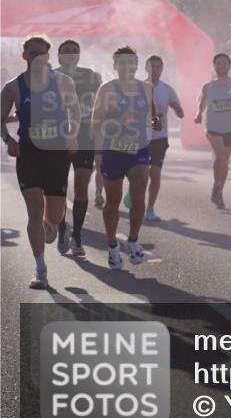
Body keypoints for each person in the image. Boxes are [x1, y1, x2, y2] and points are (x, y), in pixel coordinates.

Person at [1, 35, 80, 288]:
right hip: (29, 155)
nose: (37, 57)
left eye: (42, 53)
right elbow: (0, 119)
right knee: (34, 209)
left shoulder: (63, 82)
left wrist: (72, 135)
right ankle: (41, 269)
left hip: (57, 155)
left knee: (52, 216)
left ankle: (56, 222)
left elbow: (75, 112)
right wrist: (9, 141)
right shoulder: (13, 87)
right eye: (32, 53)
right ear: (24, 55)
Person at [92, 46, 156, 270]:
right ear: (115, 66)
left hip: (138, 151)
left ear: (136, 65)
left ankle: (133, 240)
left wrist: (155, 125)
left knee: (138, 197)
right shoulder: (106, 89)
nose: (127, 66)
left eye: (131, 62)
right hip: (114, 151)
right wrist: (118, 120)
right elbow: (96, 122)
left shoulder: (147, 88)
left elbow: (151, 116)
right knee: (113, 202)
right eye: (122, 63)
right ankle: (112, 246)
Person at [54, 39, 102, 258]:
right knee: (60, 189)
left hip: (85, 137)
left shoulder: (91, 76)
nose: (71, 54)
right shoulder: (51, 76)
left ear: (79, 55)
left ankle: (77, 236)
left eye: (75, 51)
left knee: (81, 186)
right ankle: (62, 229)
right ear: (58, 56)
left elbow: (100, 105)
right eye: (66, 51)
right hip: (58, 139)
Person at [195, 53, 231, 209]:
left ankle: (218, 190)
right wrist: (198, 115)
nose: (221, 66)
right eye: (218, 63)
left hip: (230, 128)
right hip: (213, 127)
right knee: (220, 156)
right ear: (214, 66)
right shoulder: (208, 87)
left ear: (228, 66)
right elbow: (202, 104)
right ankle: (217, 186)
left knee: (223, 161)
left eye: (224, 64)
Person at [138, 55, 183, 222]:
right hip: (141, 136)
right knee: (140, 174)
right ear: (145, 68)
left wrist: (179, 110)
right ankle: (133, 195)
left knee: (155, 173)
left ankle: (150, 209)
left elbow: (176, 105)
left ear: (162, 69)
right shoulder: (139, 88)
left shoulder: (167, 89)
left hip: (160, 137)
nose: (155, 70)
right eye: (151, 67)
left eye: (158, 67)